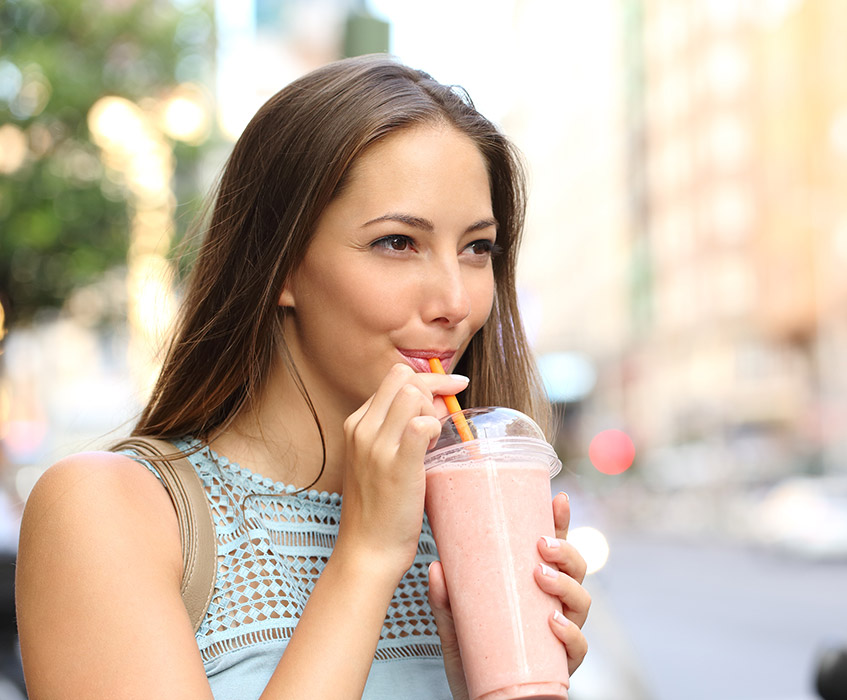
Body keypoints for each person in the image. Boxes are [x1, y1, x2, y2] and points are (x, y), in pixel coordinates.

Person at [15, 54, 590, 699]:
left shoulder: (470, 518)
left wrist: (499, 681)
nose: (455, 300)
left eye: (477, 248)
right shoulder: (110, 512)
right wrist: (366, 557)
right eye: (398, 242)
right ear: (281, 265)